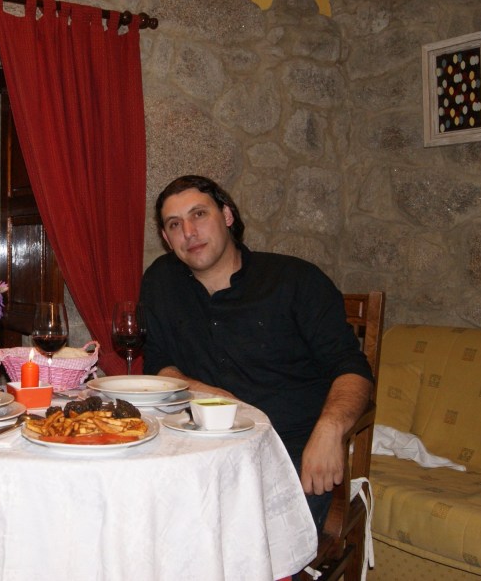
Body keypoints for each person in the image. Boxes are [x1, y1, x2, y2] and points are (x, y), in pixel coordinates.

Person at [139, 175, 374, 531]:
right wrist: (207, 393)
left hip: (288, 452)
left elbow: (352, 368)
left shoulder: (295, 281)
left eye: (199, 214)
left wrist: (330, 429)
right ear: (166, 239)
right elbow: (159, 363)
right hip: (198, 452)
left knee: (237, 541)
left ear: (227, 215)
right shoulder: (161, 281)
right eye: (174, 224)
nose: (189, 231)